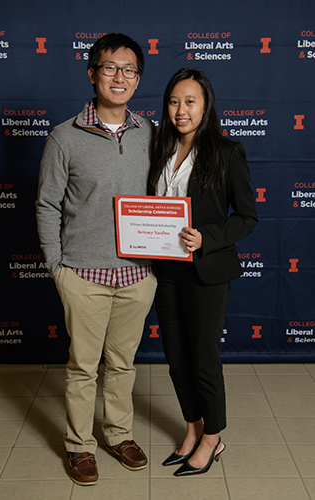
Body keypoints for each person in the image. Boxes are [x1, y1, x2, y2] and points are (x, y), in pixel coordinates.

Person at [36, 33, 157, 486]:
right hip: (82, 274)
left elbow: (163, 201)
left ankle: (118, 434)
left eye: (128, 70)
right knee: (83, 366)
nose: (119, 77)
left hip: (137, 275)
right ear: (92, 74)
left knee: (123, 363)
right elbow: (47, 204)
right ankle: (78, 446)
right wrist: (56, 267)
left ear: (137, 78)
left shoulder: (151, 132)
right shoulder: (64, 136)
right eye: (110, 67)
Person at [148, 68, 258, 477]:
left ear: (206, 105)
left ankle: (213, 438)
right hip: (165, 270)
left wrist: (206, 237)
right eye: (174, 101)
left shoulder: (227, 152)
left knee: (203, 359)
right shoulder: (159, 149)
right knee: (176, 359)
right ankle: (192, 429)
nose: (181, 110)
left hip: (206, 271)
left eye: (190, 101)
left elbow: (247, 217)